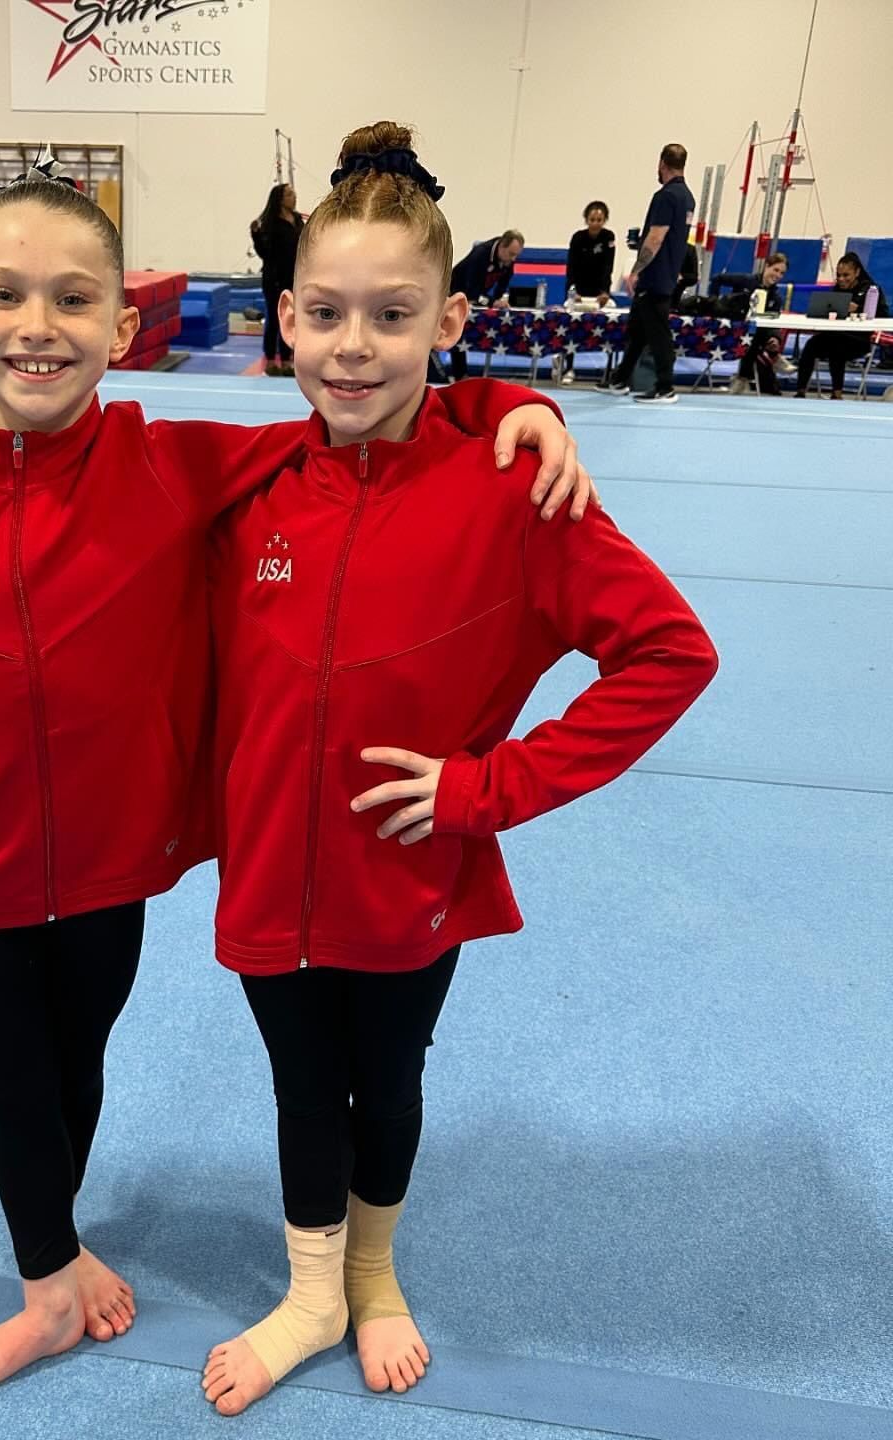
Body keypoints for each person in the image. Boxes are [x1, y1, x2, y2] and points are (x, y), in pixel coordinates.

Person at [0, 158, 594, 1408]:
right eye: (3, 297)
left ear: (123, 323)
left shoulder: (177, 462)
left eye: (71, 300)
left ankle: (68, 1250)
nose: (36, 327)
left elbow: (359, 416)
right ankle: (47, 1285)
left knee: (78, 1064)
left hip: (112, 871)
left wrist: (505, 409)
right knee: (12, 1085)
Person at [196, 120, 717, 1416]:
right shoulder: (243, 478)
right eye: (326, 313)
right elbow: (65, 479)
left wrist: (491, 789)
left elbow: (667, 653)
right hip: (269, 871)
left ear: (449, 319)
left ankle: (372, 1277)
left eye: (392, 313)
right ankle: (313, 1291)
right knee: (299, 1088)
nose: (354, 344)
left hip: (406, 876)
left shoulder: (510, 488)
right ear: (285, 319)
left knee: (389, 1083)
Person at [597, 143, 695, 404]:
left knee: (658, 334)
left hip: (655, 276)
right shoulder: (688, 198)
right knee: (638, 331)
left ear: (662, 163)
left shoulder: (666, 196)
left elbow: (656, 237)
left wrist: (636, 269)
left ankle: (665, 387)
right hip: (667, 273)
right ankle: (620, 379)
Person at [795, 251, 889, 399]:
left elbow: (883, 315)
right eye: (839, 275)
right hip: (835, 335)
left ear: (857, 272)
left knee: (836, 349)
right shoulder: (836, 289)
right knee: (811, 345)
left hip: (859, 340)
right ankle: (800, 391)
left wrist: (859, 308)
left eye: (846, 275)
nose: (841, 279)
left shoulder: (871, 289)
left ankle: (837, 394)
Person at [444, 227, 524, 378]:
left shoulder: (508, 259)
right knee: (458, 330)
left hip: (477, 292)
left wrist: (499, 299)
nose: (513, 259)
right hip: (455, 289)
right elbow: (471, 290)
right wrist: (492, 301)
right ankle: (459, 374)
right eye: (511, 254)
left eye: (516, 256)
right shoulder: (480, 254)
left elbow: (503, 283)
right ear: (502, 246)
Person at [717, 252, 789, 394]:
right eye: (775, 270)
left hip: (754, 335)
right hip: (733, 329)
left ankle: (743, 378)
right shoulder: (746, 280)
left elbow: (771, 322)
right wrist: (717, 302)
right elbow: (717, 279)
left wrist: (775, 338)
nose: (778, 275)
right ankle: (774, 356)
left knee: (758, 334)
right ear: (766, 266)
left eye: (782, 273)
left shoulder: (776, 297)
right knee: (754, 334)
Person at [251, 181, 302, 376]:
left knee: (292, 319)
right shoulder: (271, 223)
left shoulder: (297, 220)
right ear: (280, 199)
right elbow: (265, 252)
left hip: (294, 278)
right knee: (274, 319)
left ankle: (288, 359)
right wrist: (256, 236)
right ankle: (271, 359)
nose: (294, 197)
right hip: (274, 279)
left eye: (294, 194)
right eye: (290, 194)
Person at [565, 201, 615, 306]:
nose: (595, 224)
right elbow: (571, 267)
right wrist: (573, 291)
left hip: (599, 290)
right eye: (592, 220)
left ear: (605, 220)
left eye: (599, 220)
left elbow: (608, 266)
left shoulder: (608, 237)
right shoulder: (578, 238)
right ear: (586, 220)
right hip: (579, 288)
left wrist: (605, 291)